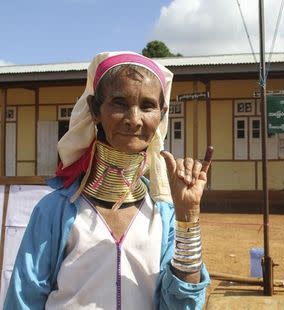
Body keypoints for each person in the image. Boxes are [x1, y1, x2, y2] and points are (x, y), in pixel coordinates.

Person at [5, 52, 211, 309]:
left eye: (147, 106)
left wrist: (188, 217)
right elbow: (24, 300)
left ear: (162, 114)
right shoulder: (55, 210)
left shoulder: (165, 215)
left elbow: (182, 304)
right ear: (94, 110)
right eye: (119, 103)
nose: (134, 119)